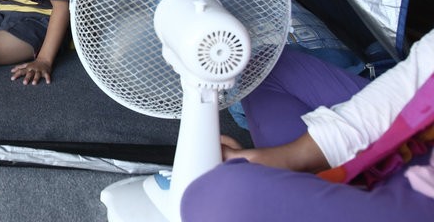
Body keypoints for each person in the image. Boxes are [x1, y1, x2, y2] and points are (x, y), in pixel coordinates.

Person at [180, 29, 434, 222]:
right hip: (420, 134)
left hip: (416, 200)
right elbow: (420, 73)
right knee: (267, 68)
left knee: (220, 197)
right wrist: (291, 157)